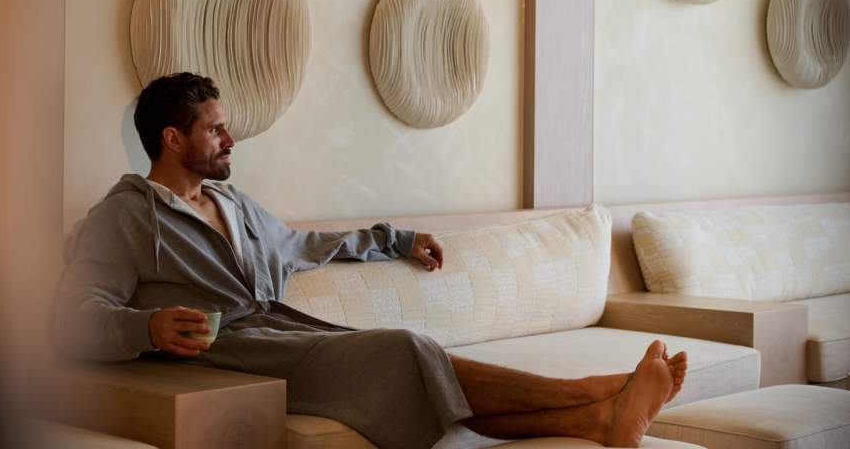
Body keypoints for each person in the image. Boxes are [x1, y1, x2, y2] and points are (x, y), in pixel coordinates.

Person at [51, 72, 686, 449]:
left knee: (410, 356)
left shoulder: (230, 202)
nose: (231, 138)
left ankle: (602, 415)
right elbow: (72, 318)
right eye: (215, 129)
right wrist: (148, 327)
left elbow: (302, 246)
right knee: (402, 348)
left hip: (279, 331)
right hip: (226, 355)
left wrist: (394, 238)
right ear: (172, 138)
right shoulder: (125, 215)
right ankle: (595, 395)